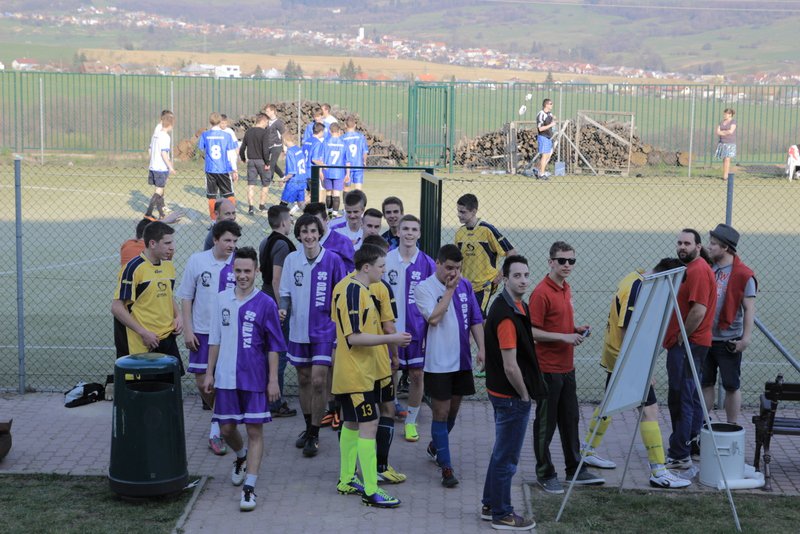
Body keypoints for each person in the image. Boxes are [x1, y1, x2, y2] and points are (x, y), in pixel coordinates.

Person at [582, 257, 691, 489]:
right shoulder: (638, 286)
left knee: (608, 404)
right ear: (667, 278)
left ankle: (587, 450)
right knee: (650, 410)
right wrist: (640, 368)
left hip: (618, 355)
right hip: (625, 358)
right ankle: (659, 471)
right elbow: (626, 329)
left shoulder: (636, 277)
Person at [203, 246, 286, 511]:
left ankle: (249, 488)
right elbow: (214, 339)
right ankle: (241, 456)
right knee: (227, 429)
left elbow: (273, 346)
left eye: (247, 271)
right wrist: (209, 372)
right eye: (238, 270)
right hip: (225, 378)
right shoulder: (221, 300)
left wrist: (273, 380)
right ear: (233, 270)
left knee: (254, 431)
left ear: (256, 271)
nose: (242, 275)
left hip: (254, 378)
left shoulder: (266, 303)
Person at [332, 244, 413, 508]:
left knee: (352, 423)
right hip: (355, 374)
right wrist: (392, 339)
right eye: (381, 266)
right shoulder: (352, 291)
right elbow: (353, 338)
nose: (384, 271)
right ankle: (371, 490)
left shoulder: (359, 288)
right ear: (366, 267)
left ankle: (346, 479)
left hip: (360, 371)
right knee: (369, 425)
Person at [529, 241, 604, 494]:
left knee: (570, 420)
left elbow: (556, 324)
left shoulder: (565, 288)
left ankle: (575, 469)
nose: (567, 265)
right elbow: (532, 332)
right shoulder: (541, 292)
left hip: (566, 368)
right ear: (550, 262)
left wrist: (574, 329)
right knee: (546, 424)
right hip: (548, 370)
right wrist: (565, 337)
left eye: (571, 261)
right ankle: (544, 473)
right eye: (562, 261)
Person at [481, 255, 546, 531]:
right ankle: (502, 514)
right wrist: (524, 395)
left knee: (501, 452)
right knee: (507, 458)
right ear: (505, 279)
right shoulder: (506, 315)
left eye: (526, 275)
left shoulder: (516, 305)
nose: (523, 280)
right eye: (517, 276)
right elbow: (510, 366)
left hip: (503, 394)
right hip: (511, 397)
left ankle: (489, 504)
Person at [414, 244, 485, 488]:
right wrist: (449, 290)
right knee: (441, 413)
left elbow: (475, 319)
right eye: (449, 268)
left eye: (457, 268)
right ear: (438, 264)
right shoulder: (424, 288)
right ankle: (446, 467)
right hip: (438, 363)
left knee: (453, 413)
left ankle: (435, 446)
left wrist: (482, 348)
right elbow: (433, 318)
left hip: (462, 360)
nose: (453, 273)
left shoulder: (465, 285)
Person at [279, 214, 347, 457]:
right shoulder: (291, 260)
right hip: (299, 330)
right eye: (304, 232)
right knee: (304, 379)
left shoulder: (333, 260)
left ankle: (315, 433)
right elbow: (285, 292)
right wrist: (283, 308)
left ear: (320, 233)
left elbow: (341, 295)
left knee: (319, 380)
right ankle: (308, 428)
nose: (309, 236)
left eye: (313, 231)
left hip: (325, 330)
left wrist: (340, 330)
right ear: (298, 235)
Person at [177, 220, 241, 455]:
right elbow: (186, 296)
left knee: (223, 382)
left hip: (229, 334)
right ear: (215, 240)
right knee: (203, 383)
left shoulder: (239, 264)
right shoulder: (197, 261)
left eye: (235, 241)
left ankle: (217, 430)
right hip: (202, 333)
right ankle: (224, 419)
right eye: (227, 240)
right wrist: (188, 329)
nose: (231, 245)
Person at [663, 229, 717, 470]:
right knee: (691, 396)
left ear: (698, 246)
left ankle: (679, 454)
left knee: (680, 397)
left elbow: (699, 310)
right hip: (694, 344)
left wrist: (681, 337)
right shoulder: (695, 268)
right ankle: (691, 444)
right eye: (679, 243)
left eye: (687, 243)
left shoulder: (697, 270)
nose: (682, 247)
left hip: (688, 344)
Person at [384, 215, 436, 443]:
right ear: (398, 232)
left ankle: (411, 421)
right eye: (405, 228)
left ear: (419, 234)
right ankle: (389, 412)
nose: (409, 233)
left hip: (417, 330)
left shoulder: (428, 263)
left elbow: (435, 298)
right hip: (391, 330)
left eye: (414, 229)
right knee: (390, 371)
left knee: (417, 374)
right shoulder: (386, 260)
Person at [702, 224, 756, 426]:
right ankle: (703, 426)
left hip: (729, 340)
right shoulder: (707, 267)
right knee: (705, 383)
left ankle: (732, 427)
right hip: (705, 337)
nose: (709, 247)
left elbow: (749, 309)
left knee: (731, 385)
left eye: (713, 244)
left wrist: (745, 339)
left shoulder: (743, 274)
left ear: (725, 248)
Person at [112, 221, 183, 367]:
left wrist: (178, 316)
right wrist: (143, 333)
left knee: (171, 378)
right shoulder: (133, 268)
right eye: (167, 243)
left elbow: (167, 295)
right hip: (142, 341)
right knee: (144, 380)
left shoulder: (168, 265)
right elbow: (117, 308)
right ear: (152, 243)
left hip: (167, 337)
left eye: (172, 242)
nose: (172, 247)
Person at [258, 205, 298, 418]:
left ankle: (265, 398)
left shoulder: (265, 241)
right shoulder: (282, 244)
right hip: (275, 303)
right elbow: (276, 279)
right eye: (290, 220)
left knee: (269, 352)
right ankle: (274, 403)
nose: (291, 224)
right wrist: (281, 307)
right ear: (283, 222)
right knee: (278, 353)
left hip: (265, 298)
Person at [455, 193, 517, 319]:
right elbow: (458, 259)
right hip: (466, 285)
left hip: (485, 284)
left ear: (474, 211)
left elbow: (511, 252)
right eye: (458, 211)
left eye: (463, 212)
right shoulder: (460, 233)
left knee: (478, 318)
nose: (459, 215)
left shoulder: (487, 230)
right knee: (466, 318)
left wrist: (500, 275)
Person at [197, 112, 238, 222]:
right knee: (229, 194)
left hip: (210, 169)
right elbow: (231, 153)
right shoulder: (227, 135)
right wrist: (234, 170)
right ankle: (231, 218)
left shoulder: (205, 135)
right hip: (223, 169)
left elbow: (201, 149)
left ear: (210, 122)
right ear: (220, 121)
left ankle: (213, 221)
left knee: (212, 197)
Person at [304, 202, 356, 272]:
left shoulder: (343, 242)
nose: (313, 226)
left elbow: (352, 270)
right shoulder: (303, 242)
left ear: (326, 219)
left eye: (317, 221)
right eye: (309, 222)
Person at [145, 111, 176, 221]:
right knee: (159, 191)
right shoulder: (165, 136)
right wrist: (170, 167)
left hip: (153, 167)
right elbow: (164, 153)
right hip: (160, 168)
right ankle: (148, 214)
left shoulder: (156, 134)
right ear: (170, 125)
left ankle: (162, 215)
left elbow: (150, 149)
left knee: (160, 190)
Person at [238, 112, 271, 215]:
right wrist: (267, 162)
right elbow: (265, 150)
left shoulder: (248, 132)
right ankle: (262, 206)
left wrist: (243, 158)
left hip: (251, 161)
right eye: (267, 122)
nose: (267, 125)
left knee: (251, 185)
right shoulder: (264, 133)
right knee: (265, 184)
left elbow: (242, 148)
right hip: (262, 161)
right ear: (263, 121)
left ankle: (251, 208)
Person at [280, 132, 308, 216]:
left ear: (285, 140)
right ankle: (309, 216)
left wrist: (283, 180)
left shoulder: (290, 152)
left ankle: (281, 220)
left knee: (283, 203)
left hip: (293, 182)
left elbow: (292, 172)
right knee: (301, 203)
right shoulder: (298, 149)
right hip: (302, 180)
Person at [322, 123, 347, 214]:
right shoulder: (343, 143)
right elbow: (347, 160)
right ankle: (334, 215)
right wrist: (348, 173)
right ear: (339, 131)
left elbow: (321, 159)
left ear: (329, 131)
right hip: (339, 172)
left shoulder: (325, 142)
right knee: (336, 194)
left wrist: (321, 171)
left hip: (327, 171)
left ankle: (329, 214)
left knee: (328, 192)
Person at [343, 117, 369, 191]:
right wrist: (364, 161)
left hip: (346, 166)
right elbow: (365, 151)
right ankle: (358, 198)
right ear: (355, 125)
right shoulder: (361, 137)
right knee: (358, 188)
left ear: (345, 125)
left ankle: (346, 199)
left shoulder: (342, 138)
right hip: (358, 165)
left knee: (346, 187)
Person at [264, 104, 286, 193]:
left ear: (273, 111)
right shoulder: (266, 122)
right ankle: (283, 176)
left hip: (277, 146)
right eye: (266, 111)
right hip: (268, 146)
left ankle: (269, 181)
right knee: (271, 164)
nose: (266, 113)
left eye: (268, 111)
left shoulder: (279, 123)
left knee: (272, 163)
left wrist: (284, 147)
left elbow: (283, 135)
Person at [535, 99, 556, 179]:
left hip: (549, 137)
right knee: (544, 156)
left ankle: (537, 170)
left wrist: (553, 118)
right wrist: (551, 125)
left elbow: (551, 119)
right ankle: (542, 174)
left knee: (547, 156)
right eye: (550, 103)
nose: (552, 105)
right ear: (546, 105)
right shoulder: (541, 114)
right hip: (543, 137)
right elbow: (540, 129)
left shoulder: (550, 113)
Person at [714, 109, 737, 181]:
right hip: (722, 143)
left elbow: (731, 131)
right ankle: (724, 174)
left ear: (730, 114)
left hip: (730, 143)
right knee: (724, 159)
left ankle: (725, 176)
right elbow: (717, 132)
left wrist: (723, 132)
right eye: (724, 114)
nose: (724, 115)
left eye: (726, 114)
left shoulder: (733, 122)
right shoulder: (721, 122)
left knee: (727, 159)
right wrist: (725, 132)